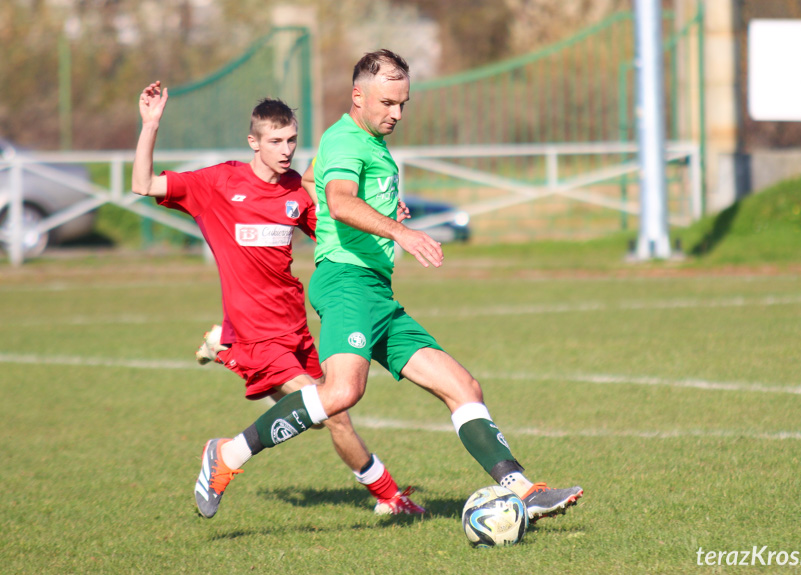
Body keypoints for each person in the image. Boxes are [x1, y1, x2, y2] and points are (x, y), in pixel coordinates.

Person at [192, 49, 584, 523]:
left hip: (377, 291)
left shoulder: (367, 144)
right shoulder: (346, 140)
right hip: (345, 281)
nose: (396, 114)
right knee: (340, 394)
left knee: (463, 386)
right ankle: (227, 456)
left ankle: (522, 488)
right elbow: (337, 201)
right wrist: (400, 231)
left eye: (403, 104)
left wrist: (381, 212)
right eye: (387, 103)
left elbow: (316, 182)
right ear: (359, 96)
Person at [131, 80, 425, 518]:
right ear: (254, 142)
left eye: (291, 140)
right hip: (257, 329)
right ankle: (227, 450)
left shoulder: (295, 192)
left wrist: (385, 213)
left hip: (296, 326)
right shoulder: (218, 183)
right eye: (274, 141)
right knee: (324, 407)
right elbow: (143, 183)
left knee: (334, 412)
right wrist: (151, 124)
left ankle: (388, 497)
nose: (286, 150)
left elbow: (339, 222)